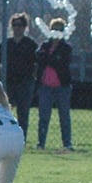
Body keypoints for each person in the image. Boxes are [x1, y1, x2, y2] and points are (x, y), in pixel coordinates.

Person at [0, 12, 37, 141]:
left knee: (23, 112)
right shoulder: (6, 43)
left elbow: (37, 63)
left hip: (25, 83)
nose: (17, 28)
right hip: (8, 83)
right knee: (5, 112)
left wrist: (32, 77)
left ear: (25, 27)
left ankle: (21, 138)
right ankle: (5, 137)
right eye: (15, 25)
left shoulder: (30, 44)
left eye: (20, 25)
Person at [35, 18, 73, 152]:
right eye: (54, 29)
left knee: (64, 116)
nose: (57, 33)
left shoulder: (66, 48)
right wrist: (52, 59)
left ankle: (67, 143)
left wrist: (49, 59)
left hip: (61, 86)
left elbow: (61, 62)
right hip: (45, 86)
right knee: (44, 116)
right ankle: (41, 143)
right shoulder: (45, 46)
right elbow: (39, 59)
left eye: (60, 30)